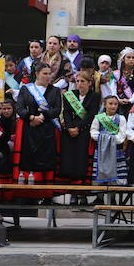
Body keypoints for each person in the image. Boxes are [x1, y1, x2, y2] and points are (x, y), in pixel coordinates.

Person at [14, 62, 63, 185]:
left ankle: (46, 191)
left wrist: (43, 116)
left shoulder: (55, 90)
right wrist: (30, 117)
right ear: (36, 74)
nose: (47, 76)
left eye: (49, 74)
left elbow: (57, 109)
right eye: (44, 73)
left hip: (47, 128)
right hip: (30, 128)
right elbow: (19, 108)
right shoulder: (26, 89)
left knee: (47, 159)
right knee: (30, 158)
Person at [58, 70, 99, 198]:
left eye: (83, 81)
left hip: (84, 131)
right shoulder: (70, 95)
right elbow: (67, 113)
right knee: (69, 159)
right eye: (78, 81)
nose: (80, 84)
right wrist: (70, 127)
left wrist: (78, 128)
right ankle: (71, 193)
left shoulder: (94, 96)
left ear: (89, 83)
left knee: (81, 159)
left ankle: (82, 193)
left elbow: (92, 114)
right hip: (70, 132)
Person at [89, 95, 128, 189]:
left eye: (115, 104)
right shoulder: (98, 118)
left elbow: (122, 136)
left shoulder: (121, 118)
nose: (113, 106)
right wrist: (107, 137)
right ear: (105, 105)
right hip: (101, 150)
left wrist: (107, 138)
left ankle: (114, 197)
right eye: (110, 104)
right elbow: (93, 132)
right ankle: (100, 197)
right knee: (100, 172)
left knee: (115, 175)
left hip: (116, 150)